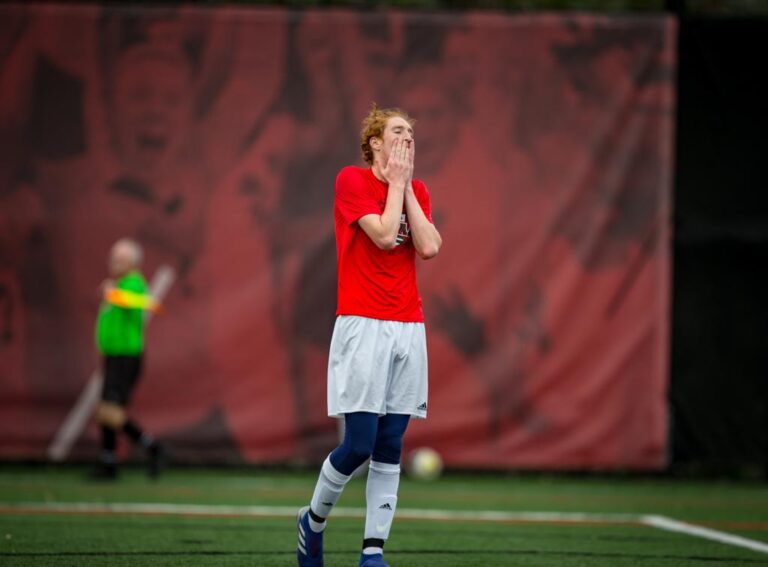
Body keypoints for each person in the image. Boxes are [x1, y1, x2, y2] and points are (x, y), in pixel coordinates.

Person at [296, 104, 442, 567]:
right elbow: (381, 235)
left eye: (411, 134)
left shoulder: (418, 189)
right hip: (363, 323)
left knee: (391, 442)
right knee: (359, 442)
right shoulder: (351, 181)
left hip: (407, 326)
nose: (407, 140)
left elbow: (430, 246)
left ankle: (372, 552)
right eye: (398, 132)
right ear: (375, 142)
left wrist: (406, 188)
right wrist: (395, 184)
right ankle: (312, 522)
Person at [91, 238, 164, 480]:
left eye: (120, 259)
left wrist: (113, 294)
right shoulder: (120, 285)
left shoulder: (133, 284)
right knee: (106, 412)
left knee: (110, 411)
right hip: (113, 356)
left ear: (133, 262)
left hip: (126, 357)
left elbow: (138, 302)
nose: (114, 263)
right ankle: (109, 462)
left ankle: (152, 447)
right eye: (113, 258)